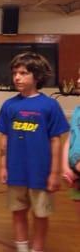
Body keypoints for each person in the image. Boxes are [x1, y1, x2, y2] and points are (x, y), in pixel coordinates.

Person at [0, 52, 69, 252]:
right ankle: (22, 248)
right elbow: (5, 138)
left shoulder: (50, 105)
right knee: (18, 212)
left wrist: (54, 173)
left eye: (23, 73)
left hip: (41, 173)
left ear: (37, 76)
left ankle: (37, 249)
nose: (17, 77)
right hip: (16, 172)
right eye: (14, 73)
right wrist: (3, 166)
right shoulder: (9, 105)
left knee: (40, 215)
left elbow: (56, 141)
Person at [62, 67, 80, 219]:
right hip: (75, 175)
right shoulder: (77, 110)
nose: (78, 81)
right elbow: (69, 139)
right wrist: (66, 167)